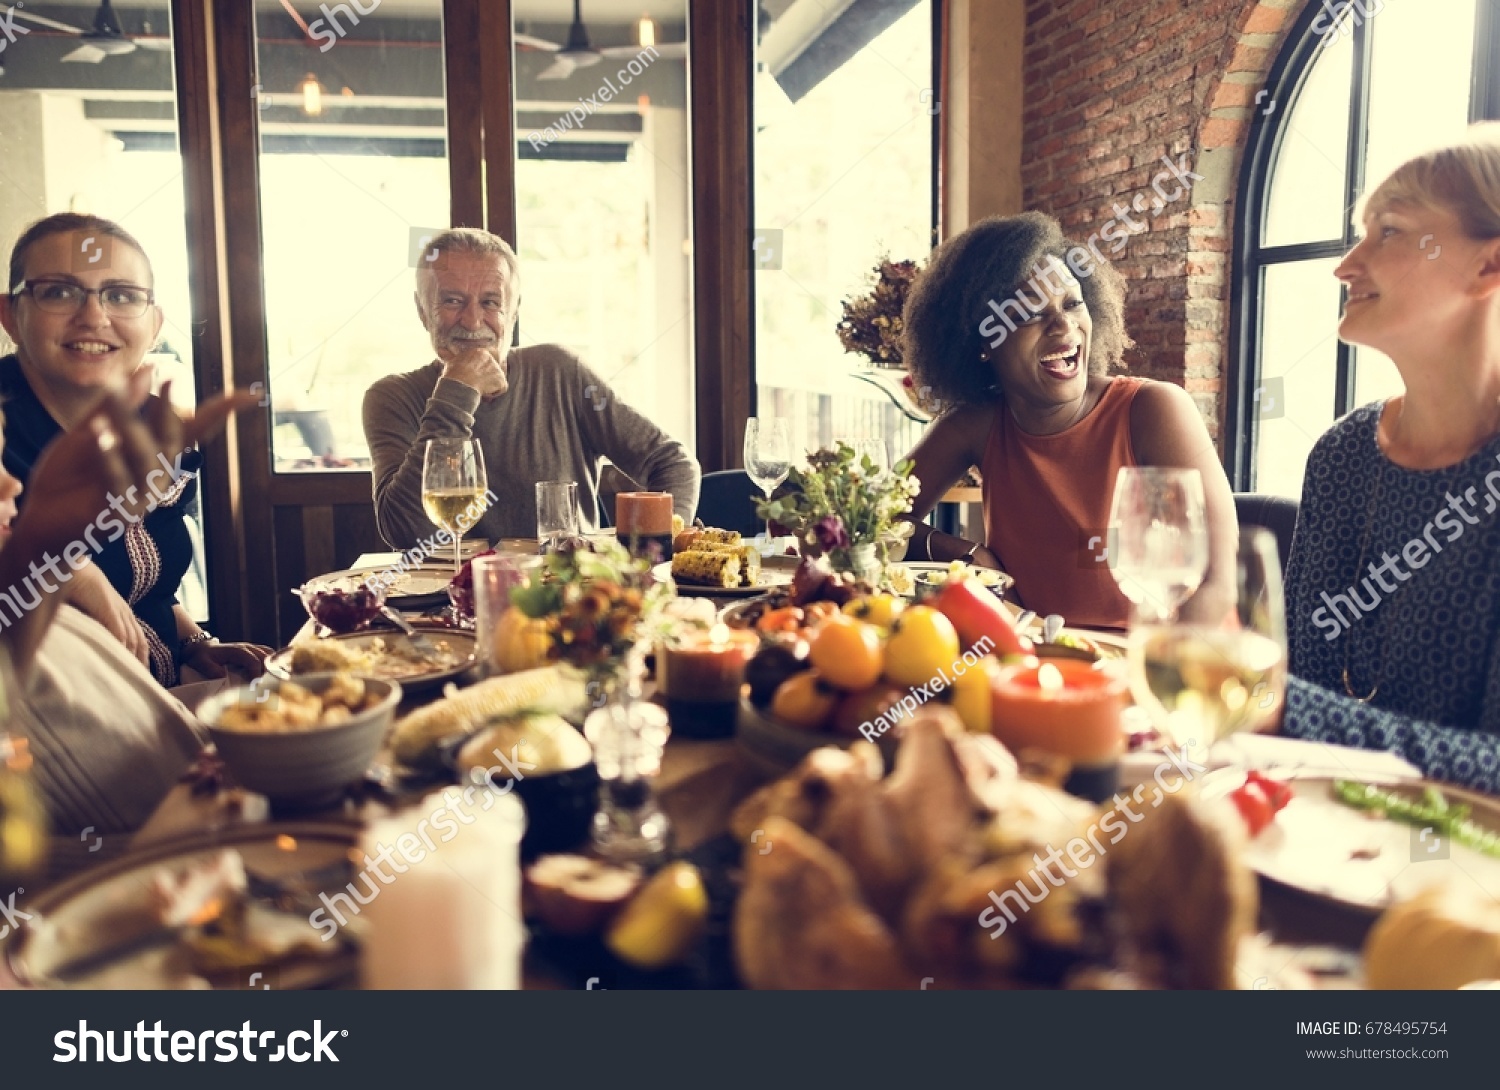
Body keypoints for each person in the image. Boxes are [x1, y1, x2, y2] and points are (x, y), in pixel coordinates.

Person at [1279, 127, 1500, 794]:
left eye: (1391, 231)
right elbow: (1302, 685)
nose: (1345, 265)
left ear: (1488, 267)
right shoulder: (1343, 456)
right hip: (1322, 842)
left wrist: (1263, 696)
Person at [897, 212, 1237, 628]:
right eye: (1028, 314)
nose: (1063, 325)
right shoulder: (978, 423)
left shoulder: (1154, 409)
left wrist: (1157, 674)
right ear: (982, 343)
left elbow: (1219, 580)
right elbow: (872, 520)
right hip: (1039, 659)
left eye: (1073, 303)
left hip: (1160, 662)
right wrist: (964, 553)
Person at [0, 213, 270, 687]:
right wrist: (68, 569)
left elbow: (147, 576)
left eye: (122, 295)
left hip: (158, 698)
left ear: (154, 325)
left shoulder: (155, 425)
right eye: (59, 292)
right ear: (10, 316)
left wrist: (194, 642)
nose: (94, 316)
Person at [0, 367, 259, 834]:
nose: (13, 485)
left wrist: (195, 640)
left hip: (193, 762)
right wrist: (49, 552)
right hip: (176, 847)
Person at [362, 227, 700, 546]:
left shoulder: (562, 372)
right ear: (422, 311)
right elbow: (407, 533)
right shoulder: (391, 397)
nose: (473, 320)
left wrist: (649, 553)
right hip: (450, 600)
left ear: (514, 312)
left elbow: (670, 461)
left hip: (566, 593)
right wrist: (456, 390)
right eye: (452, 301)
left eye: (491, 302)